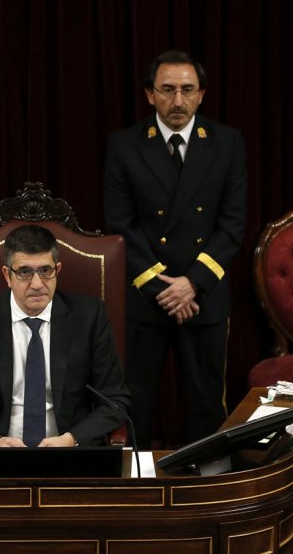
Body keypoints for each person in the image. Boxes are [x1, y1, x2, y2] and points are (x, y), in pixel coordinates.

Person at [103, 50, 246, 446]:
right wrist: (165, 289)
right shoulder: (125, 145)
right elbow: (120, 226)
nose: (178, 101)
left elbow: (232, 225)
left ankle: (208, 493)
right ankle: (135, 492)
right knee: (137, 404)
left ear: (202, 94)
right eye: (168, 90)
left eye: (187, 90)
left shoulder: (227, 142)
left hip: (204, 296)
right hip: (148, 297)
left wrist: (193, 283)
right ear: (150, 95)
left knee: (206, 406)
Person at [0, 225, 131, 448]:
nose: (37, 284)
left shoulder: (89, 317)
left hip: (69, 456)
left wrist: (71, 440)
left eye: (45, 271)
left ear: (58, 269)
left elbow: (116, 400)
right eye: (25, 272)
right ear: (7, 275)